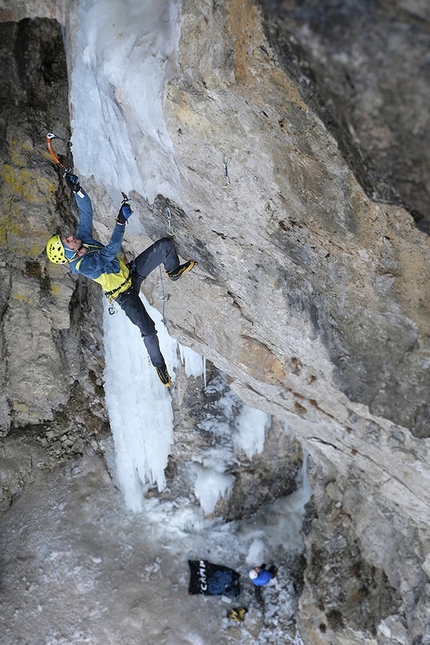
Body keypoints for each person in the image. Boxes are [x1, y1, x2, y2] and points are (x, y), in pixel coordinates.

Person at [46, 173, 197, 386]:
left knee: (165, 246)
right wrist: (120, 222)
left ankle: (173, 271)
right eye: (67, 241)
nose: (71, 237)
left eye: (67, 237)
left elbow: (86, 210)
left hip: (131, 273)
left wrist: (77, 189)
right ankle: (159, 365)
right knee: (148, 330)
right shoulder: (83, 266)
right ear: (68, 254)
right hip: (125, 296)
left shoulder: (83, 239)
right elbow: (109, 253)